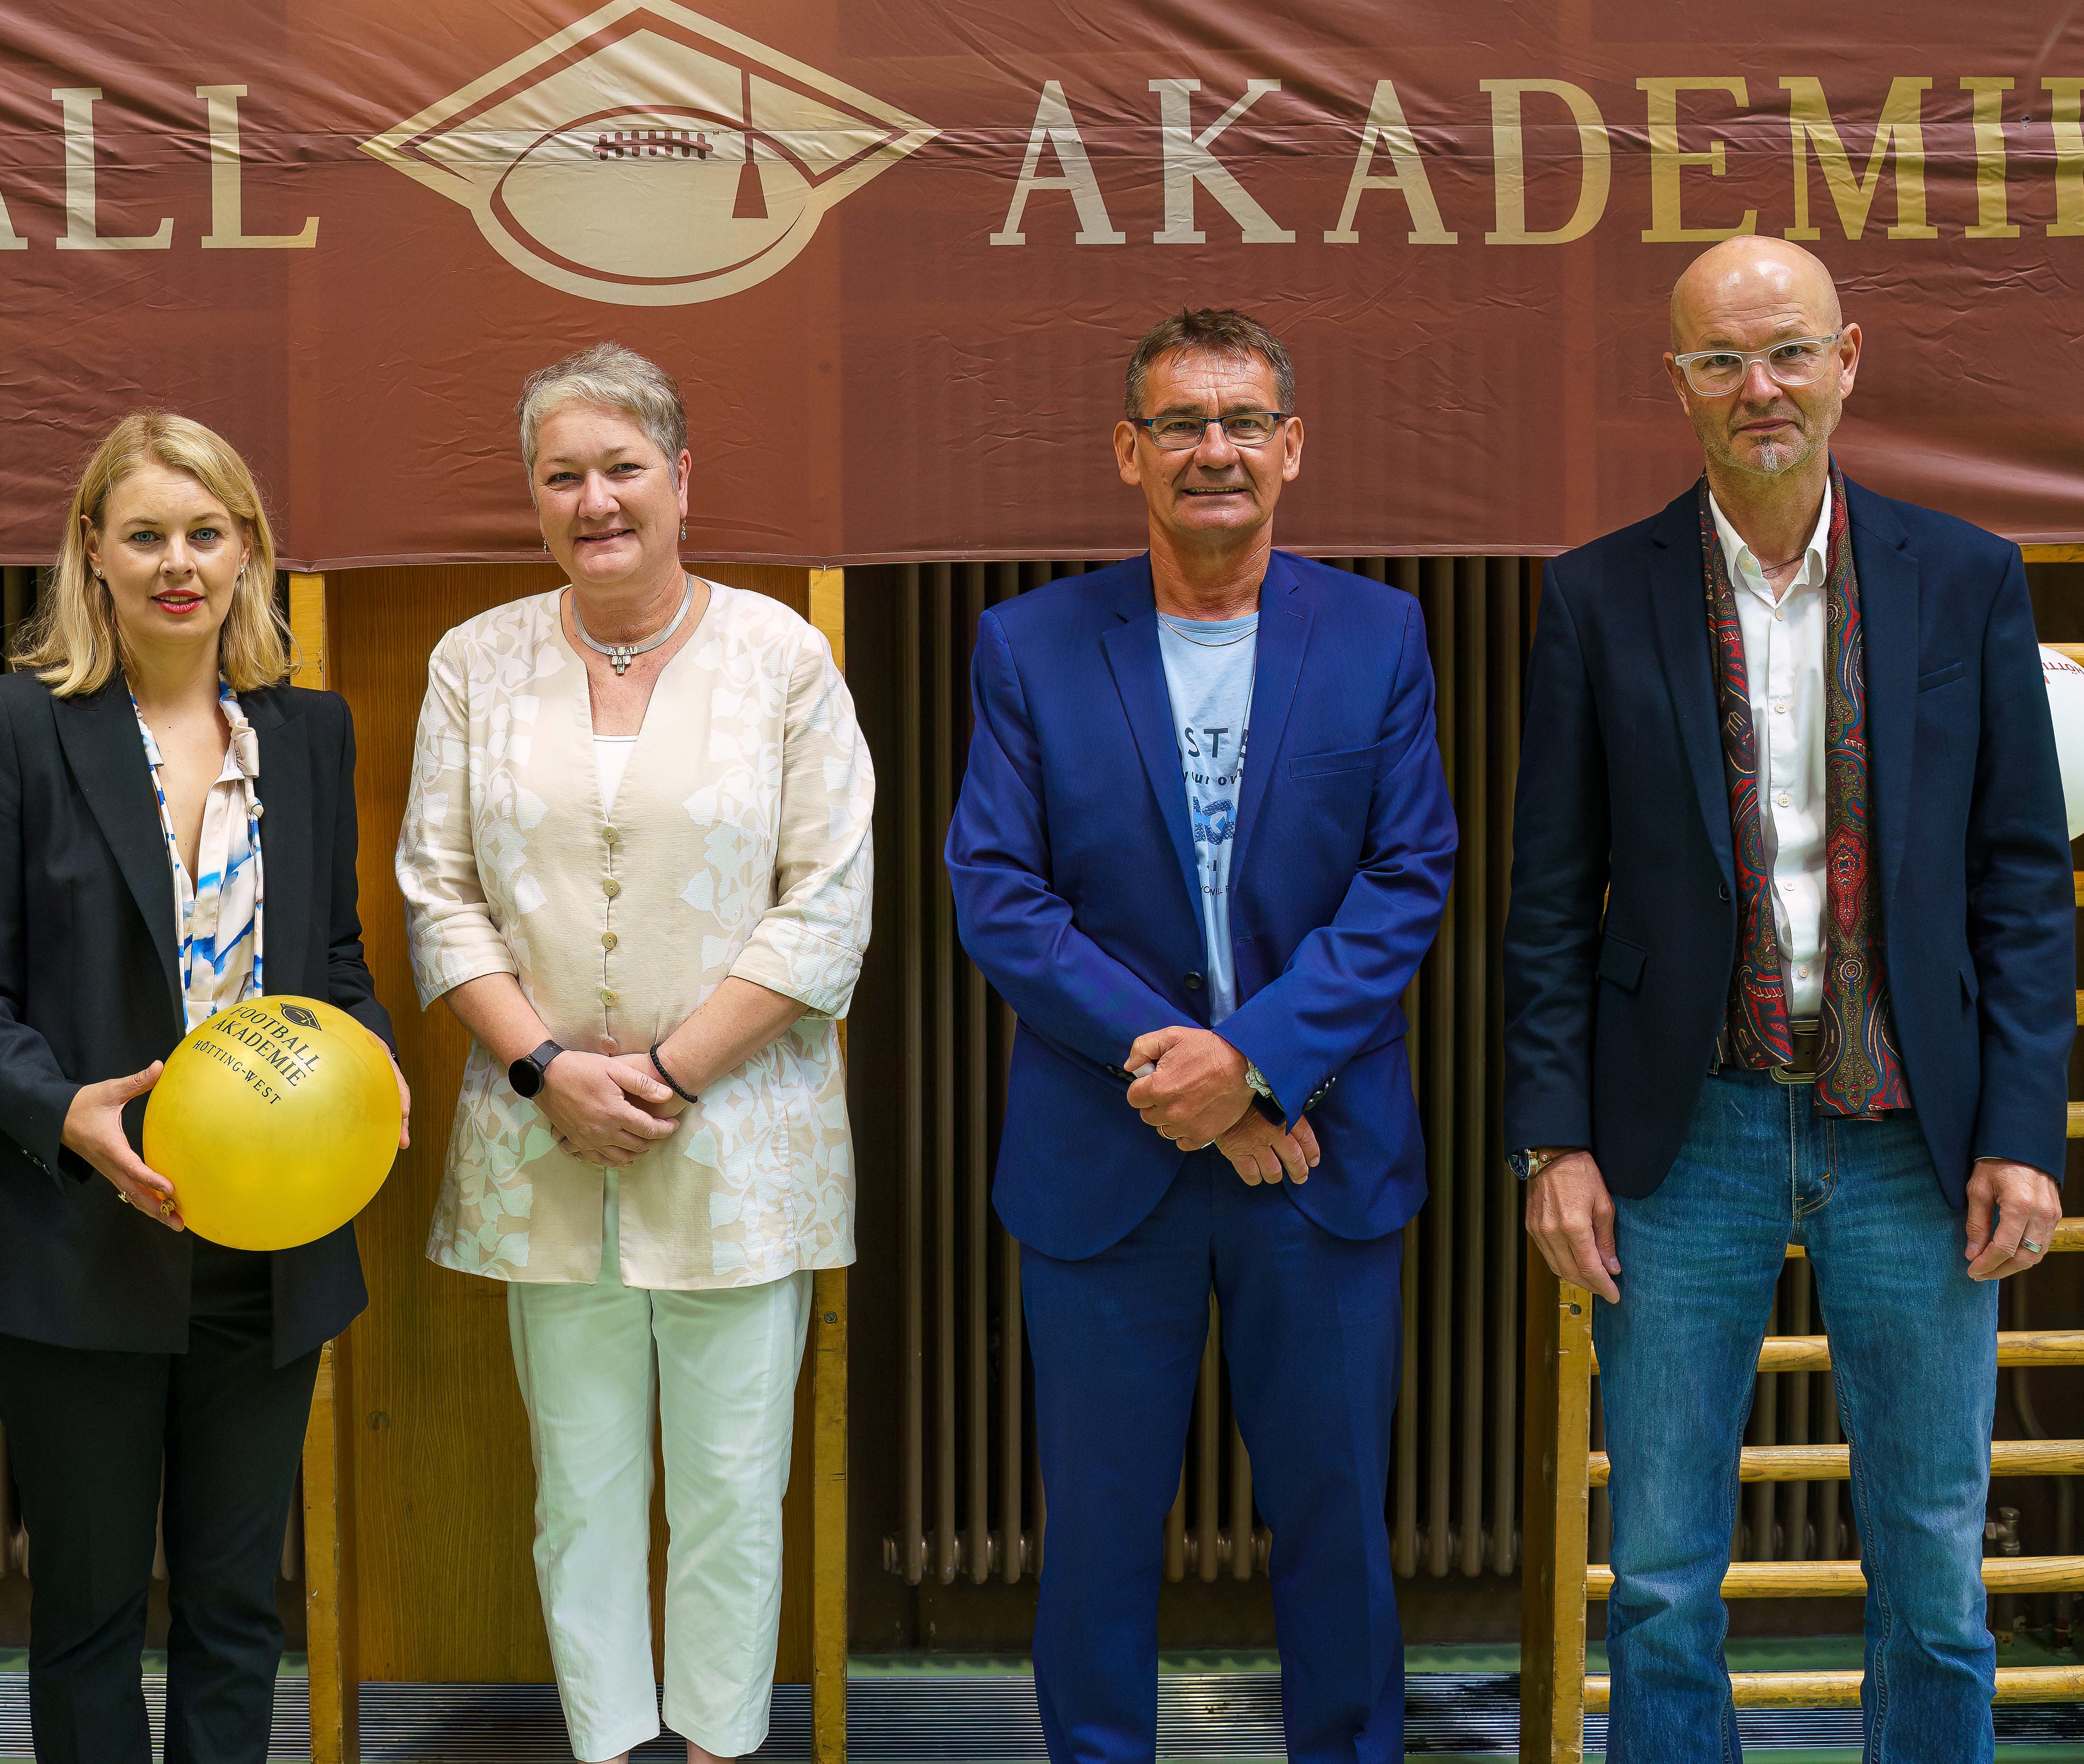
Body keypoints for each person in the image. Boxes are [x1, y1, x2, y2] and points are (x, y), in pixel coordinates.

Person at [1505, 236, 2072, 1759]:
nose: (1758, 388)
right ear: (1675, 381)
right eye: (1719, 360)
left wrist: (2025, 1127)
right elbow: (1548, 902)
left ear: (1846, 360)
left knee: (1936, 1579)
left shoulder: (1963, 580)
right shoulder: (1594, 596)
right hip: (1680, 1135)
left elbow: (2020, 879)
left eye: (1786, 353)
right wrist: (1551, 1141)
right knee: (1665, 1586)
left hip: (1915, 1133)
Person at [945, 309, 1455, 1764]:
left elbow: (1407, 872)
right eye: (1180, 424)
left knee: (1336, 1529)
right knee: (1098, 1535)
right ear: (1128, 452)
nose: (1213, 450)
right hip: (1106, 1169)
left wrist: (1262, 1061)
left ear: (1291, 449)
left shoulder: (1377, 633)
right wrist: (1200, 1080)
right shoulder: (1030, 644)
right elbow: (998, 889)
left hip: (1322, 1161)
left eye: (1241, 423)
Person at [395, 343, 872, 1764]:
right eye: (561, 476)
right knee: (580, 1488)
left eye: (620, 469)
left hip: (738, 1149)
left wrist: (666, 1076)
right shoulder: (473, 658)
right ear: (533, 497)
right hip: (544, 1142)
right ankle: (606, 1747)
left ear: (679, 480)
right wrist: (551, 1073)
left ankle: (722, 1748)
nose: (594, 501)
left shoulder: (784, 655)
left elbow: (827, 895)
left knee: (733, 1485)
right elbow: (438, 888)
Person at [0, 411, 406, 1764]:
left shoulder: (308, 735)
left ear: (249, 550)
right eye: (145, 536)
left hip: (271, 1248)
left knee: (235, 1611)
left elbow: (333, 964)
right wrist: (65, 1114)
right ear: (93, 553)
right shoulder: (18, 725)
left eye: (206, 534)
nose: (177, 564)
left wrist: (367, 1057)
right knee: (86, 1619)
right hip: (80, 1244)